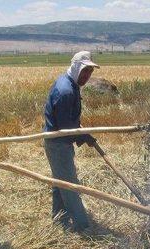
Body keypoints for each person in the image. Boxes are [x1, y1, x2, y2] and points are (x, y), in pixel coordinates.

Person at [43, 51, 99, 232]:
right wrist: (84, 137)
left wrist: (84, 134)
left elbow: (70, 121)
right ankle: (82, 226)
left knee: (60, 182)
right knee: (69, 185)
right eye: (85, 71)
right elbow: (66, 127)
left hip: (61, 141)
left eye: (90, 72)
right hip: (57, 143)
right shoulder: (65, 91)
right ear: (76, 68)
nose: (87, 76)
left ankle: (59, 220)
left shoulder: (71, 85)